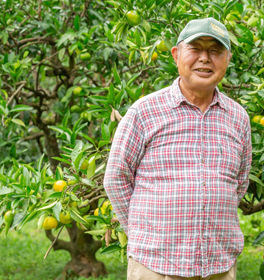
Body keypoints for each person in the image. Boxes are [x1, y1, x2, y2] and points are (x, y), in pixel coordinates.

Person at [104, 17, 252, 280]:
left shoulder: (238, 117)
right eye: (195, 49)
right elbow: (116, 177)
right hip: (156, 265)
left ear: (227, 59)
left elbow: (239, 182)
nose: (205, 58)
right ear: (176, 55)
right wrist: (140, 231)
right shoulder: (144, 112)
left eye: (215, 51)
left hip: (219, 265)